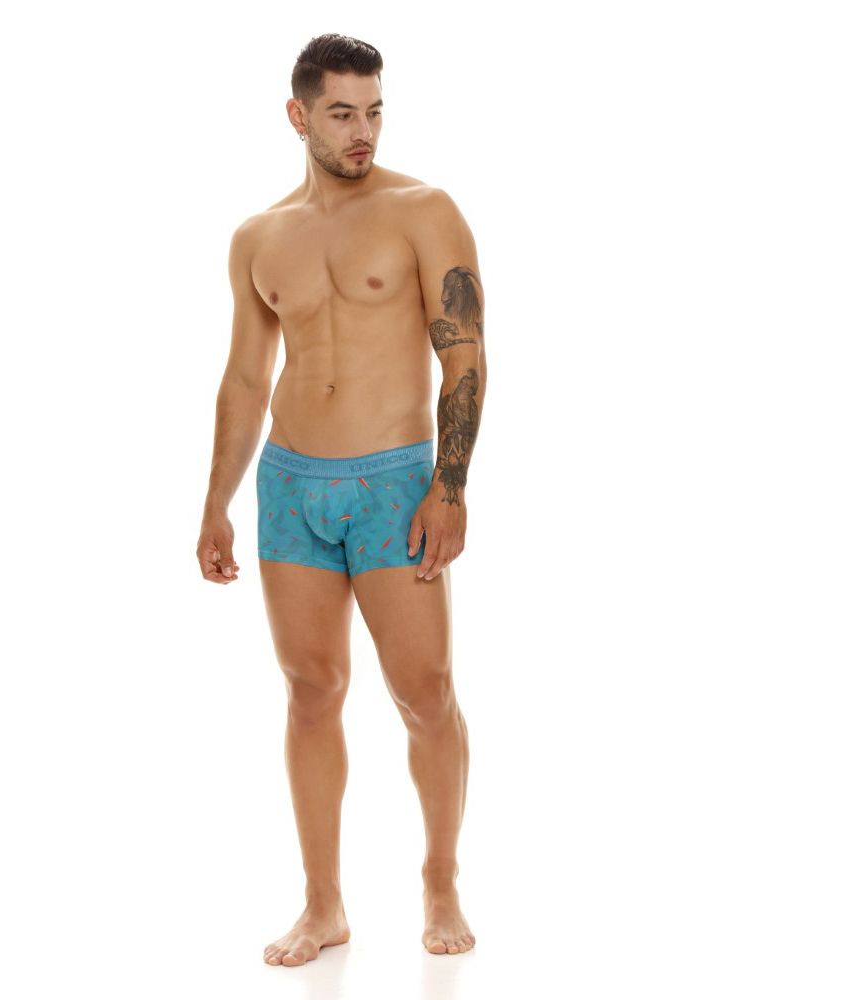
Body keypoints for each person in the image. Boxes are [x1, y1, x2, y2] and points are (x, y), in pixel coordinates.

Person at [197, 32, 486, 966]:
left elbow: (463, 354)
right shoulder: (258, 237)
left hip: (393, 482)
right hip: (291, 484)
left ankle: (439, 878)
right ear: (298, 115)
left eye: (375, 111)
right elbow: (247, 379)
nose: (363, 131)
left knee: (426, 693)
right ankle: (322, 905)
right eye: (342, 113)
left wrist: (449, 485)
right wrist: (216, 502)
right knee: (312, 691)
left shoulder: (422, 209)